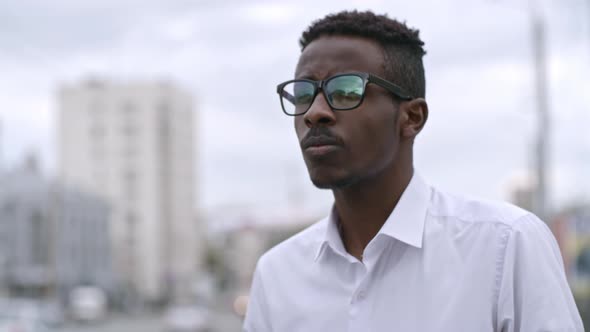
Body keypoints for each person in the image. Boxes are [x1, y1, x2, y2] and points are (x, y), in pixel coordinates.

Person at [243, 10, 583, 331]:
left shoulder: (506, 246)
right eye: (303, 93)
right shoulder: (277, 275)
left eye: (345, 91)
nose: (314, 112)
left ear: (412, 117)